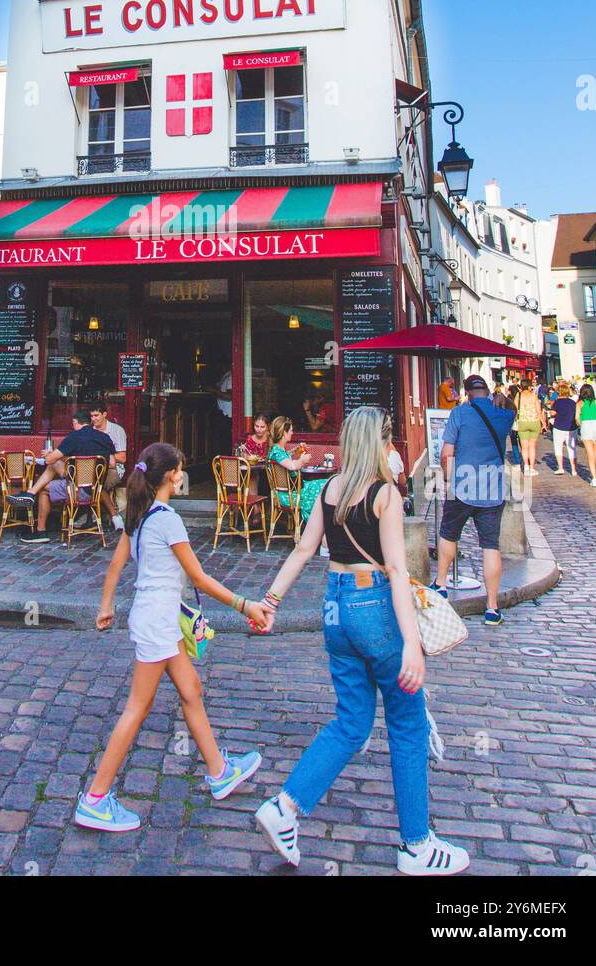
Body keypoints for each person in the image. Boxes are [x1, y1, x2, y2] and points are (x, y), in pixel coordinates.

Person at [253, 406, 468, 876]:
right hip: (374, 607)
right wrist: (412, 643)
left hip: (334, 606)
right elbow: (395, 568)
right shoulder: (384, 494)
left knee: (351, 721)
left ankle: (285, 806)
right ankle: (416, 845)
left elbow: (305, 549)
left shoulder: (329, 488)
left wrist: (271, 599)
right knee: (407, 723)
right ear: (382, 443)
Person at [74, 442, 268, 832]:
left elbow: (116, 565)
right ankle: (95, 798)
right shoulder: (166, 519)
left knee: (191, 690)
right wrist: (245, 605)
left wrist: (106, 605)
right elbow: (199, 577)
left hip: (157, 616)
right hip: (158, 622)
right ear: (169, 477)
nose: (183, 476)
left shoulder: (140, 514)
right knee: (136, 708)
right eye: (179, 470)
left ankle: (219, 771)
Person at [433, 374, 515, 626]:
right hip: (492, 488)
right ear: (487, 391)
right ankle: (491, 606)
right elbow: (514, 410)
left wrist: (448, 480)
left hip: (462, 485)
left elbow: (447, 453)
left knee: (448, 534)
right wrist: (503, 399)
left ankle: (441, 584)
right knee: (490, 545)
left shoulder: (459, 414)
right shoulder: (503, 414)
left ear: (466, 392)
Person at [17, 407, 116, 545]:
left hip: (78, 491)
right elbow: (112, 463)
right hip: (96, 489)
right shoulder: (104, 437)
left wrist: (50, 454)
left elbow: (48, 460)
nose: (73, 426)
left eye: (73, 423)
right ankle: (30, 493)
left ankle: (40, 530)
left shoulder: (73, 437)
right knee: (56, 464)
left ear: (77, 422)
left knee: (44, 489)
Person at [267, 416, 323, 524]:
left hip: (291, 492)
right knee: (323, 486)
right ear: (284, 432)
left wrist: (296, 449)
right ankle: (318, 525)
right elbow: (291, 466)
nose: (292, 433)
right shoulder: (277, 453)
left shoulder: (277, 451)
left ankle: (318, 525)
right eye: (291, 430)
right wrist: (302, 460)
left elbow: (285, 457)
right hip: (288, 496)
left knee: (324, 484)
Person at [90, 401, 127, 532]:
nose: (93, 419)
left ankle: (113, 516)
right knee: (88, 482)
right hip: (92, 468)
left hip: (114, 469)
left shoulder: (117, 430)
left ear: (104, 414)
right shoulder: (90, 431)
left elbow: (122, 458)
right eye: (92, 416)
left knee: (96, 485)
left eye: (96, 415)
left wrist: (104, 455)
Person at [515, 378, 546, 476]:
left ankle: (526, 467)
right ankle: (532, 468)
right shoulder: (534, 396)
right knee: (532, 446)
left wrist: (516, 419)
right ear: (529, 386)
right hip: (534, 422)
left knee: (524, 447)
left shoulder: (518, 395)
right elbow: (538, 411)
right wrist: (544, 423)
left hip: (522, 422)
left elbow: (514, 409)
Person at [576, 385, 596, 486]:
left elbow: (576, 418)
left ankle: (594, 478)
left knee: (590, 454)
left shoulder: (580, 403)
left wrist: (580, 425)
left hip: (586, 425)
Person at [549, 384, 579, 476]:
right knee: (572, 447)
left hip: (559, 427)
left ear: (559, 392)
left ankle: (561, 468)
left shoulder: (557, 402)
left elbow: (553, 413)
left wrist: (551, 413)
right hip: (571, 427)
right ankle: (574, 469)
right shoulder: (573, 402)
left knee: (558, 447)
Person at [213, 367, 233, 454]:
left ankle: (225, 463)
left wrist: (213, 390)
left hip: (227, 414)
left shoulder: (230, 377)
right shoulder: (224, 376)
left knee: (225, 441)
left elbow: (229, 396)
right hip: (222, 413)